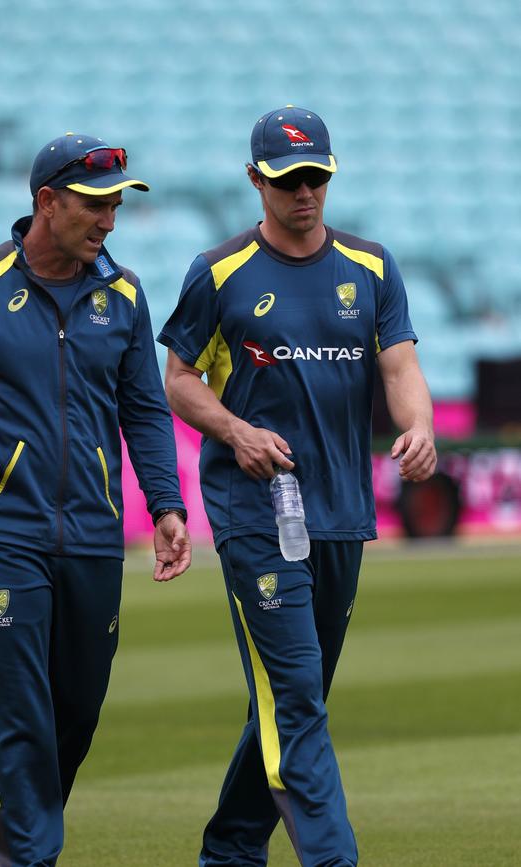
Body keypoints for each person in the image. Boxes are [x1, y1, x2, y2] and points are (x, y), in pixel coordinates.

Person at [0, 132, 191, 867]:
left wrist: (167, 505)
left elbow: (143, 410)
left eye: (116, 202)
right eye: (93, 203)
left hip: (94, 537)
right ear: (46, 201)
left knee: (74, 715)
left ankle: (2, 841)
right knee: (18, 716)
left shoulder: (126, 293)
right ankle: (26, 856)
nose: (108, 218)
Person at [158, 105, 436, 866]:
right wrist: (236, 432)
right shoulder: (219, 273)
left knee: (294, 700)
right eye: (287, 180)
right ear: (255, 180)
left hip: (343, 514)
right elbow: (178, 380)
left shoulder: (372, 267)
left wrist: (419, 427)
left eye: (316, 176)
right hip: (255, 515)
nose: (304, 192)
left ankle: (232, 848)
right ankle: (331, 858)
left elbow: (401, 365)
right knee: (297, 701)